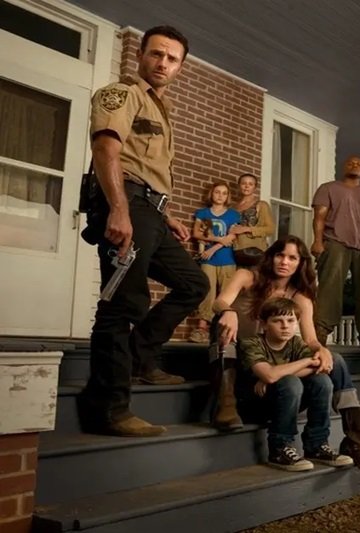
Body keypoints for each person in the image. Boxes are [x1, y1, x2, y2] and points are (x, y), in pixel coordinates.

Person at [78, 26, 208, 437]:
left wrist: (164, 215)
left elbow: (147, 168)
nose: (163, 63)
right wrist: (119, 209)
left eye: (172, 58)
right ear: (140, 55)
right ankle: (108, 409)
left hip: (149, 211)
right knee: (122, 305)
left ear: (180, 67)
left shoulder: (160, 107)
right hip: (126, 205)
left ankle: (139, 358)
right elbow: (106, 150)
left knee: (194, 284)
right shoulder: (122, 93)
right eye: (156, 54)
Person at [212, 236, 360, 478]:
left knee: (333, 364)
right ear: (271, 256)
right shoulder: (248, 276)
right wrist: (228, 311)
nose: (285, 262)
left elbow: (310, 339)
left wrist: (321, 350)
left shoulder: (300, 295)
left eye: (292, 258)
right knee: (221, 322)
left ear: (301, 263)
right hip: (244, 355)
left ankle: (354, 439)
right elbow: (220, 301)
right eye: (280, 255)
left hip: (275, 364)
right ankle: (226, 400)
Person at [238, 298, 353, 471]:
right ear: (264, 324)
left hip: (285, 401)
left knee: (322, 381)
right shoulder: (251, 343)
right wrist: (305, 362)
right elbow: (270, 375)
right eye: (277, 321)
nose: (285, 326)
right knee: (291, 382)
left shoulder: (296, 343)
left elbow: (319, 367)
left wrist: (275, 374)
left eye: (291, 320)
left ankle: (316, 445)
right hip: (255, 405)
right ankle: (279, 448)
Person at [310, 155, 360, 349]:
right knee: (330, 287)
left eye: (359, 164)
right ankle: (320, 332)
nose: (355, 165)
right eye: (351, 163)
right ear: (343, 167)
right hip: (336, 241)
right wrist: (318, 241)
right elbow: (319, 217)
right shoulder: (328, 188)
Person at [189, 182, 240, 343]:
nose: (220, 196)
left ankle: (224, 331)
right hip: (208, 260)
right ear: (211, 193)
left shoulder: (233, 215)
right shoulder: (203, 213)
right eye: (217, 192)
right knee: (207, 292)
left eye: (224, 193)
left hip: (227, 259)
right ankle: (202, 328)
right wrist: (218, 239)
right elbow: (196, 233)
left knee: (226, 294)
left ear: (228, 196)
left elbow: (231, 236)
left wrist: (212, 249)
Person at [230, 172, 275, 267]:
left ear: (255, 188)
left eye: (250, 184)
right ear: (239, 186)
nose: (246, 186)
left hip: (254, 250)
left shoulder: (261, 205)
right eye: (244, 183)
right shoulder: (232, 208)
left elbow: (270, 229)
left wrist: (246, 229)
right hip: (234, 250)